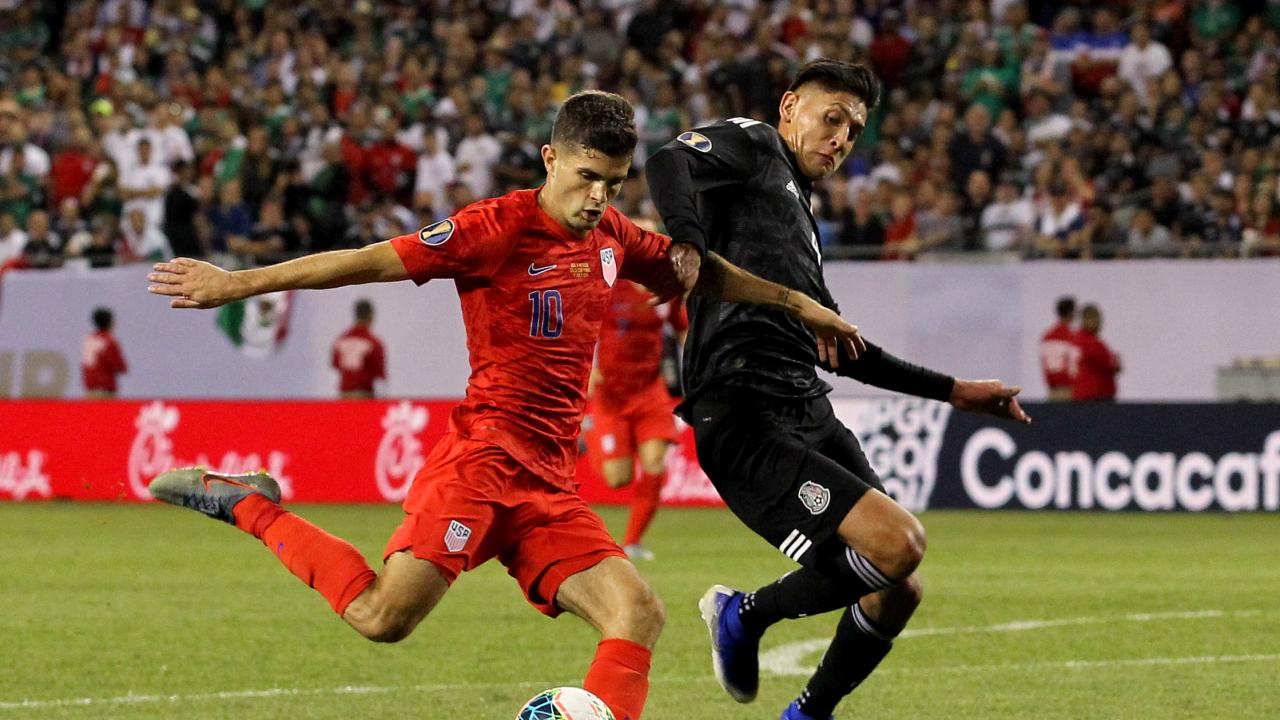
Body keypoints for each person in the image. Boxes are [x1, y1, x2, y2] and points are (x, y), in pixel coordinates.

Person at [144, 90, 858, 720]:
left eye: (611, 184)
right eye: (585, 179)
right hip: (483, 461)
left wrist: (798, 303)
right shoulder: (494, 228)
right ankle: (250, 503)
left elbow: (696, 270)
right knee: (382, 616)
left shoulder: (610, 236)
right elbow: (365, 259)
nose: (597, 199)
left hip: (550, 482)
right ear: (550, 159)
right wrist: (237, 283)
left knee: (638, 613)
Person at [646, 59, 1031, 720]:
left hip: (805, 406)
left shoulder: (801, 224)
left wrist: (954, 391)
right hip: (742, 411)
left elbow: (847, 351)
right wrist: (686, 239)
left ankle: (807, 713)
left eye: (852, 132)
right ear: (790, 106)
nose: (840, 140)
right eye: (831, 119)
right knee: (898, 545)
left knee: (897, 588)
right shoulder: (756, 146)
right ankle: (742, 614)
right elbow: (667, 161)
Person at [583, 274, 687, 561]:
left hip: (651, 390)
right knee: (618, 479)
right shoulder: (608, 288)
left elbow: (681, 328)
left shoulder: (667, 290)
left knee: (655, 462)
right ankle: (590, 432)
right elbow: (580, 324)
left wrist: (695, 362)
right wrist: (585, 365)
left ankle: (631, 542)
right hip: (611, 394)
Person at [332, 298, 386, 398]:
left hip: (344, 395)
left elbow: (335, 364)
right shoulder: (373, 342)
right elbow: (380, 374)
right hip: (364, 395)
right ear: (371, 316)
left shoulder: (342, 340)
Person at [1072, 303, 1121, 402]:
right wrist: (1115, 361)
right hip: (1093, 398)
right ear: (1084, 320)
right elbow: (1112, 364)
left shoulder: (1085, 340)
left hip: (1094, 397)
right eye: (1094, 318)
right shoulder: (1088, 341)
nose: (1098, 322)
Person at [1040, 296, 1079, 401]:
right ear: (1072, 313)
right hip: (1069, 390)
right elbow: (1074, 365)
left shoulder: (1047, 337)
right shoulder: (1072, 337)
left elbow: (1044, 363)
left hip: (1052, 390)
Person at [82, 307, 127, 398]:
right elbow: (120, 366)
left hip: (90, 390)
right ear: (110, 322)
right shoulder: (108, 341)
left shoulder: (88, 340)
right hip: (105, 391)